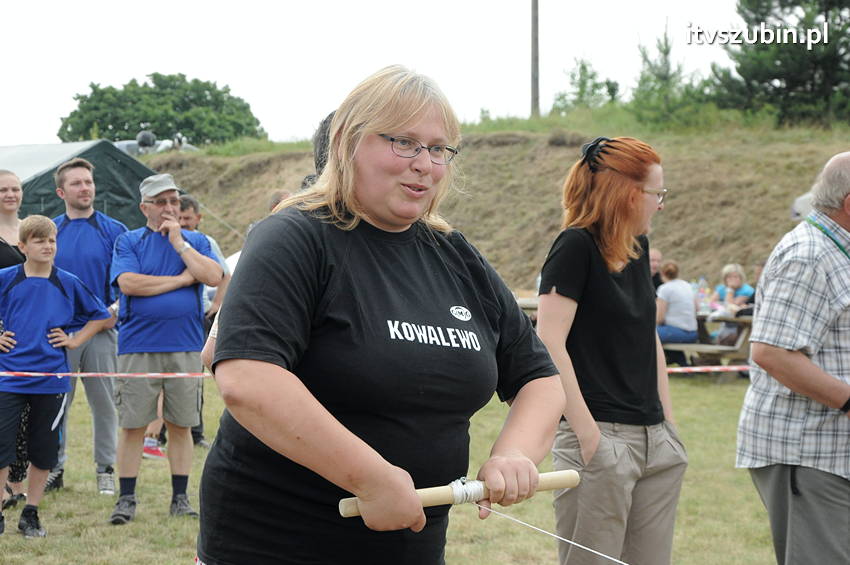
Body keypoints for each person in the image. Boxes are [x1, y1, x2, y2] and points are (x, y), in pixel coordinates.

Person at [196, 65, 565, 565]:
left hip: (413, 547)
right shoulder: (294, 236)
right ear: (347, 142)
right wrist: (368, 477)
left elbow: (540, 378)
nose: (425, 164)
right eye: (404, 143)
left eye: (438, 149)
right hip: (276, 545)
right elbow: (248, 377)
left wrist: (514, 454)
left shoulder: (455, 255)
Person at [536, 136, 688, 565]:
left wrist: (668, 425)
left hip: (655, 440)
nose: (661, 204)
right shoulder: (574, 246)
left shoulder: (638, 249)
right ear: (628, 193)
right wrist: (590, 438)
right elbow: (549, 342)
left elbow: (647, 336)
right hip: (600, 437)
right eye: (657, 193)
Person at [737, 151, 850, 564]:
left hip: (830, 453)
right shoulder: (809, 255)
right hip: (809, 454)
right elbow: (773, 353)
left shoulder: (836, 250)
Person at [108, 173, 223, 525]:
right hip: (137, 346)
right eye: (161, 202)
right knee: (133, 425)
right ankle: (126, 499)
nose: (169, 207)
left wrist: (179, 244)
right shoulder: (129, 241)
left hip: (185, 345)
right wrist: (180, 280)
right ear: (145, 208)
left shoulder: (195, 241)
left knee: (181, 424)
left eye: (174, 201)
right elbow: (129, 283)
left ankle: (180, 498)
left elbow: (213, 276)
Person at [0, 215, 110, 537]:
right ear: (22, 246)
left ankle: (31, 513)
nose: (48, 246)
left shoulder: (68, 281)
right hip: (9, 378)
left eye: (52, 240)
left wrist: (75, 340)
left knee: (44, 449)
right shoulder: (6, 278)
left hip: (51, 380)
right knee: (2, 447)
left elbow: (101, 315)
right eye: (39, 240)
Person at [49, 158, 127, 495]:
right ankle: (54, 467)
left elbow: (125, 283)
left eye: (89, 182)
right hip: (57, 335)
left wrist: (112, 312)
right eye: (77, 183)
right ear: (61, 192)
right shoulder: (50, 231)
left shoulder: (114, 230)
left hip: (102, 332)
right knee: (56, 405)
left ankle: (105, 468)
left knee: (105, 405)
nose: (85, 188)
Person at [178, 193, 232, 448]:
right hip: (171, 322)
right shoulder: (167, 239)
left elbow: (225, 275)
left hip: (197, 318)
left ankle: (195, 431)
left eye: (187, 218)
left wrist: (217, 304)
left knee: (194, 376)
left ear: (198, 218)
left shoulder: (206, 242)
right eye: (180, 218)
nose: (183, 223)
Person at [0, 171, 28, 511]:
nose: (10, 194)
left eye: (15, 188)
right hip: (2, 334)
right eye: (3, 190)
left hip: (30, 333)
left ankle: (17, 484)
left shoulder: (33, 229)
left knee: (25, 416)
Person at [656, 260, 698, 344]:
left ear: (661, 273)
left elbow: (659, 319)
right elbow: (697, 308)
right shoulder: (688, 285)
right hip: (693, 333)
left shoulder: (664, 289)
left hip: (676, 332)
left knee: (646, 331)